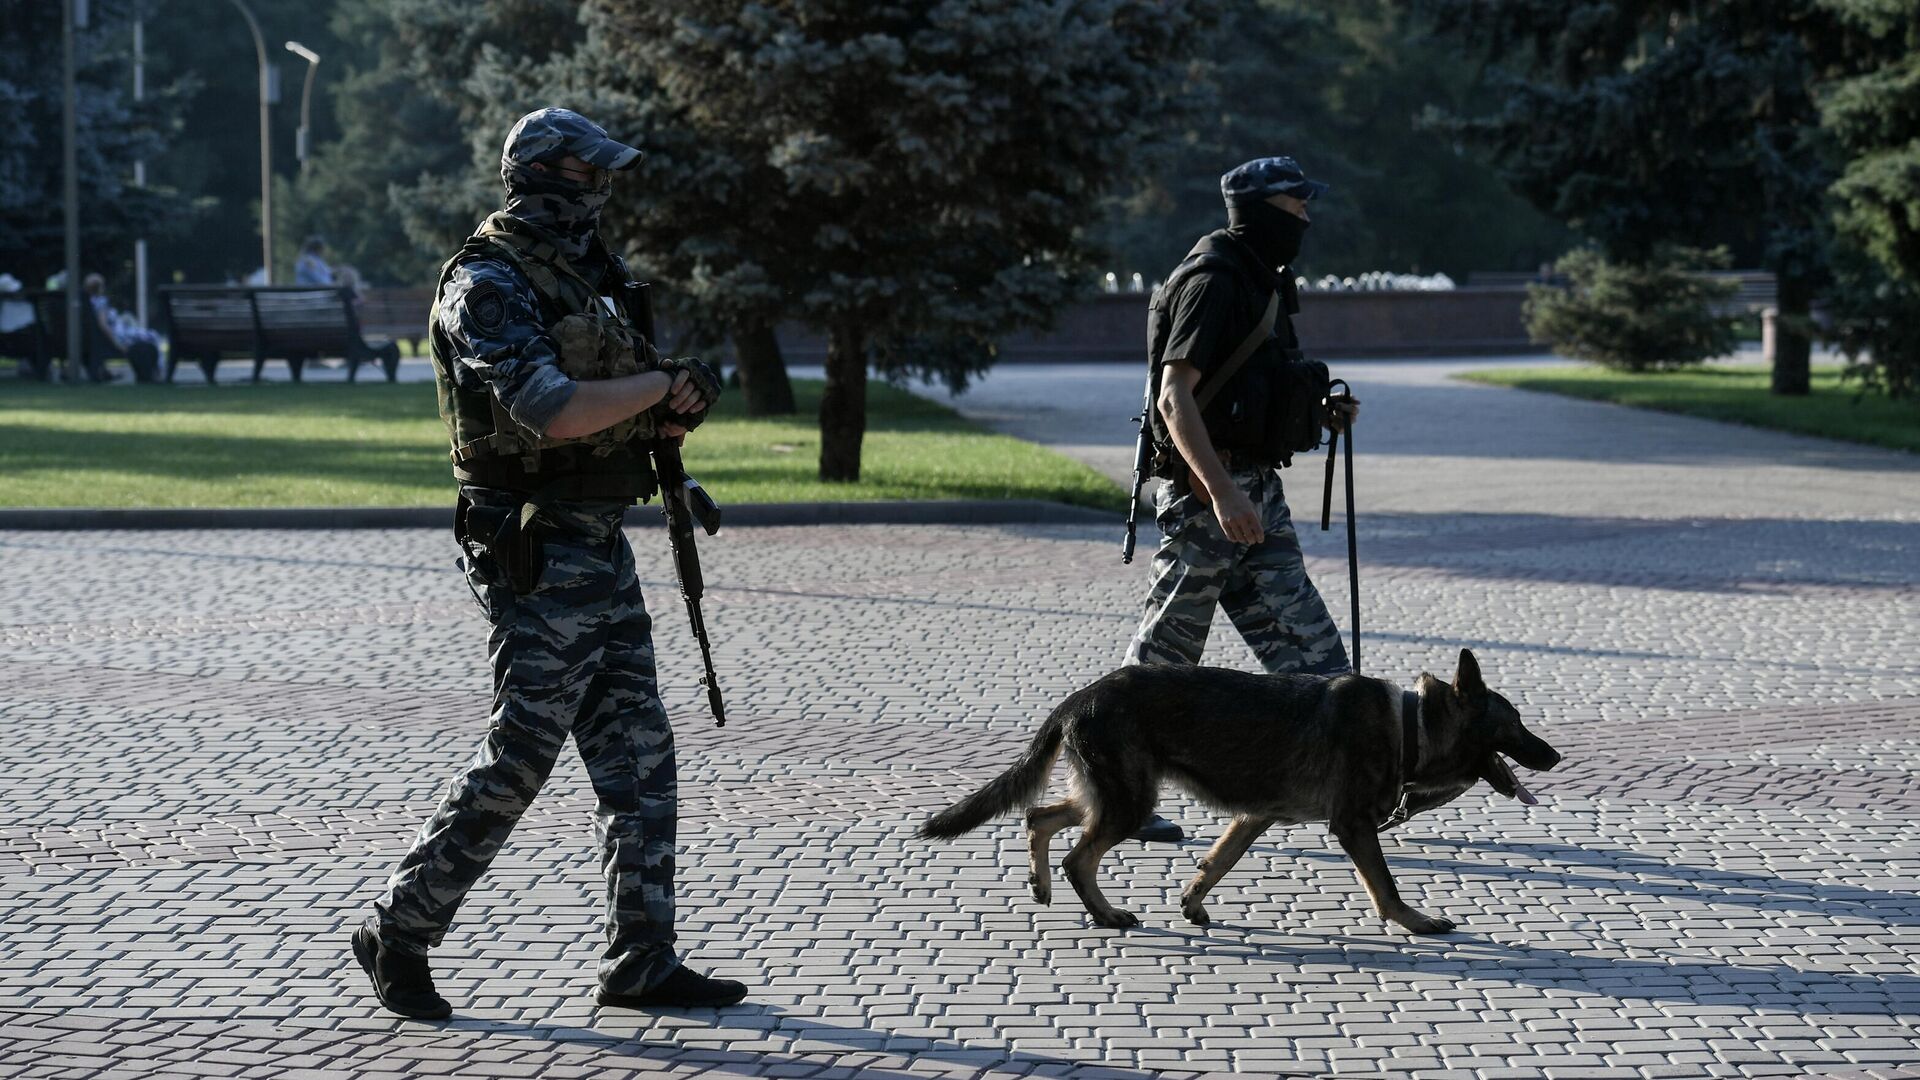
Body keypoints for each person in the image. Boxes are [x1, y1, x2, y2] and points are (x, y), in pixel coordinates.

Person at [353, 107, 739, 1019]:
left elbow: (623, 408)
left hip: (597, 541)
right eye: (584, 173)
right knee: (521, 753)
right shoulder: (486, 284)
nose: (598, 191)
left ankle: (641, 961)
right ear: (539, 175)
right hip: (532, 547)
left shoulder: (588, 277)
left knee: (639, 754)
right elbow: (553, 408)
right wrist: (659, 381)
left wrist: (675, 419)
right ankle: (397, 931)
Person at [1124, 156, 1361, 843]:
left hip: (1257, 492)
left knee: (1314, 656)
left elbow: (1253, 385)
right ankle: (1126, 793)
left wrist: (1318, 411)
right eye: (1296, 207)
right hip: (1209, 498)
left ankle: (1354, 784)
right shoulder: (1212, 280)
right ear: (1259, 211)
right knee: (1164, 660)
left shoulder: (1264, 277)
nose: (1307, 219)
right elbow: (1175, 397)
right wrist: (1222, 493)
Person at [81, 273, 160, 383]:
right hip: (120, 335)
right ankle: (158, 371)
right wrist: (118, 344)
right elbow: (103, 325)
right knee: (153, 336)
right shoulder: (100, 302)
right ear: (100, 288)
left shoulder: (86, 303)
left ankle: (151, 372)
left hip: (111, 335)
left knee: (130, 319)